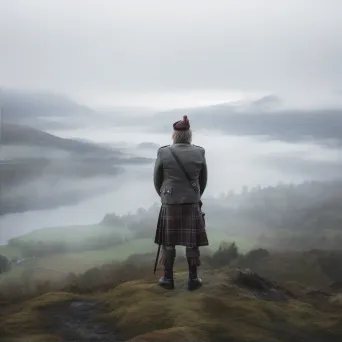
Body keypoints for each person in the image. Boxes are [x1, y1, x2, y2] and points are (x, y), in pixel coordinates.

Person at [153, 115, 208, 291]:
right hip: (191, 203)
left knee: (168, 243)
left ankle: (168, 279)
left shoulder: (163, 152)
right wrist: (194, 196)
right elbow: (203, 181)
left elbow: (157, 179)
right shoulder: (200, 152)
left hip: (170, 203)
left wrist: (165, 197)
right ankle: (193, 279)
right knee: (192, 243)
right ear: (189, 135)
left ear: (174, 135)